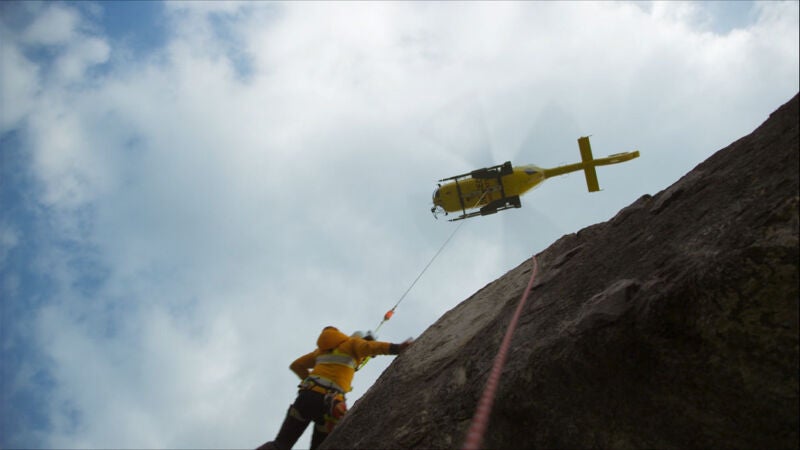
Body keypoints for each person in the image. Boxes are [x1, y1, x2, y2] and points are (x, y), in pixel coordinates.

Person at [256, 326, 413, 450]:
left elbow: (297, 365)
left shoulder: (320, 352)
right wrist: (397, 348)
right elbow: (371, 347)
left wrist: (311, 382)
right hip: (329, 406)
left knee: (280, 445)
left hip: (306, 398)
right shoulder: (354, 344)